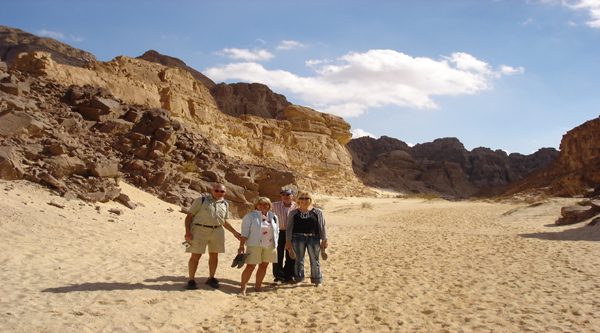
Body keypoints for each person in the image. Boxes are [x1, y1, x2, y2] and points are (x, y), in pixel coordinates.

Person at [184, 184, 241, 290]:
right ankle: (191, 280)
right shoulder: (201, 201)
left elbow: (223, 221)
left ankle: (211, 277)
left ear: (225, 192)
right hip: (200, 230)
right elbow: (189, 217)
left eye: (222, 191)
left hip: (217, 231)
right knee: (196, 255)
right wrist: (188, 232)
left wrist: (234, 232)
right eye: (217, 190)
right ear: (212, 190)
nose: (219, 193)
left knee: (214, 255)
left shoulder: (224, 203)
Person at [238, 197, 279, 296]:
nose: (263, 206)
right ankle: (243, 289)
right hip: (254, 245)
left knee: (263, 266)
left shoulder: (273, 216)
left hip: (269, 245)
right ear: (256, 205)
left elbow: (277, 230)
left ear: (269, 206)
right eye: (260, 204)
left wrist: (276, 243)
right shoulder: (250, 216)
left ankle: (257, 287)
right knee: (250, 266)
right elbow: (245, 232)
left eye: (266, 204)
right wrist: (241, 245)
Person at [285, 192, 328, 287]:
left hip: (313, 238)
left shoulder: (317, 212)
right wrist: (288, 241)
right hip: (297, 238)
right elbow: (289, 228)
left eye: (307, 198)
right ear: (298, 200)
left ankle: (317, 280)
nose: (304, 200)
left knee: (315, 259)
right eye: (302, 198)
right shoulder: (294, 213)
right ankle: (299, 279)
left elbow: (322, 226)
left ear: (310, 200)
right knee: (299, 260)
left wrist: (324, 240)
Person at [272, 189, 298, 284]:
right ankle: (278, 277)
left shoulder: (297, 206)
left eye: (288, 194)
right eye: (283, 194)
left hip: (292, 233)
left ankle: (289, 276)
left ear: (293, 196)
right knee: (278, 255)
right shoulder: (274, 205)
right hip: (278, 232)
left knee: (291, 255)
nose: (285, 196)